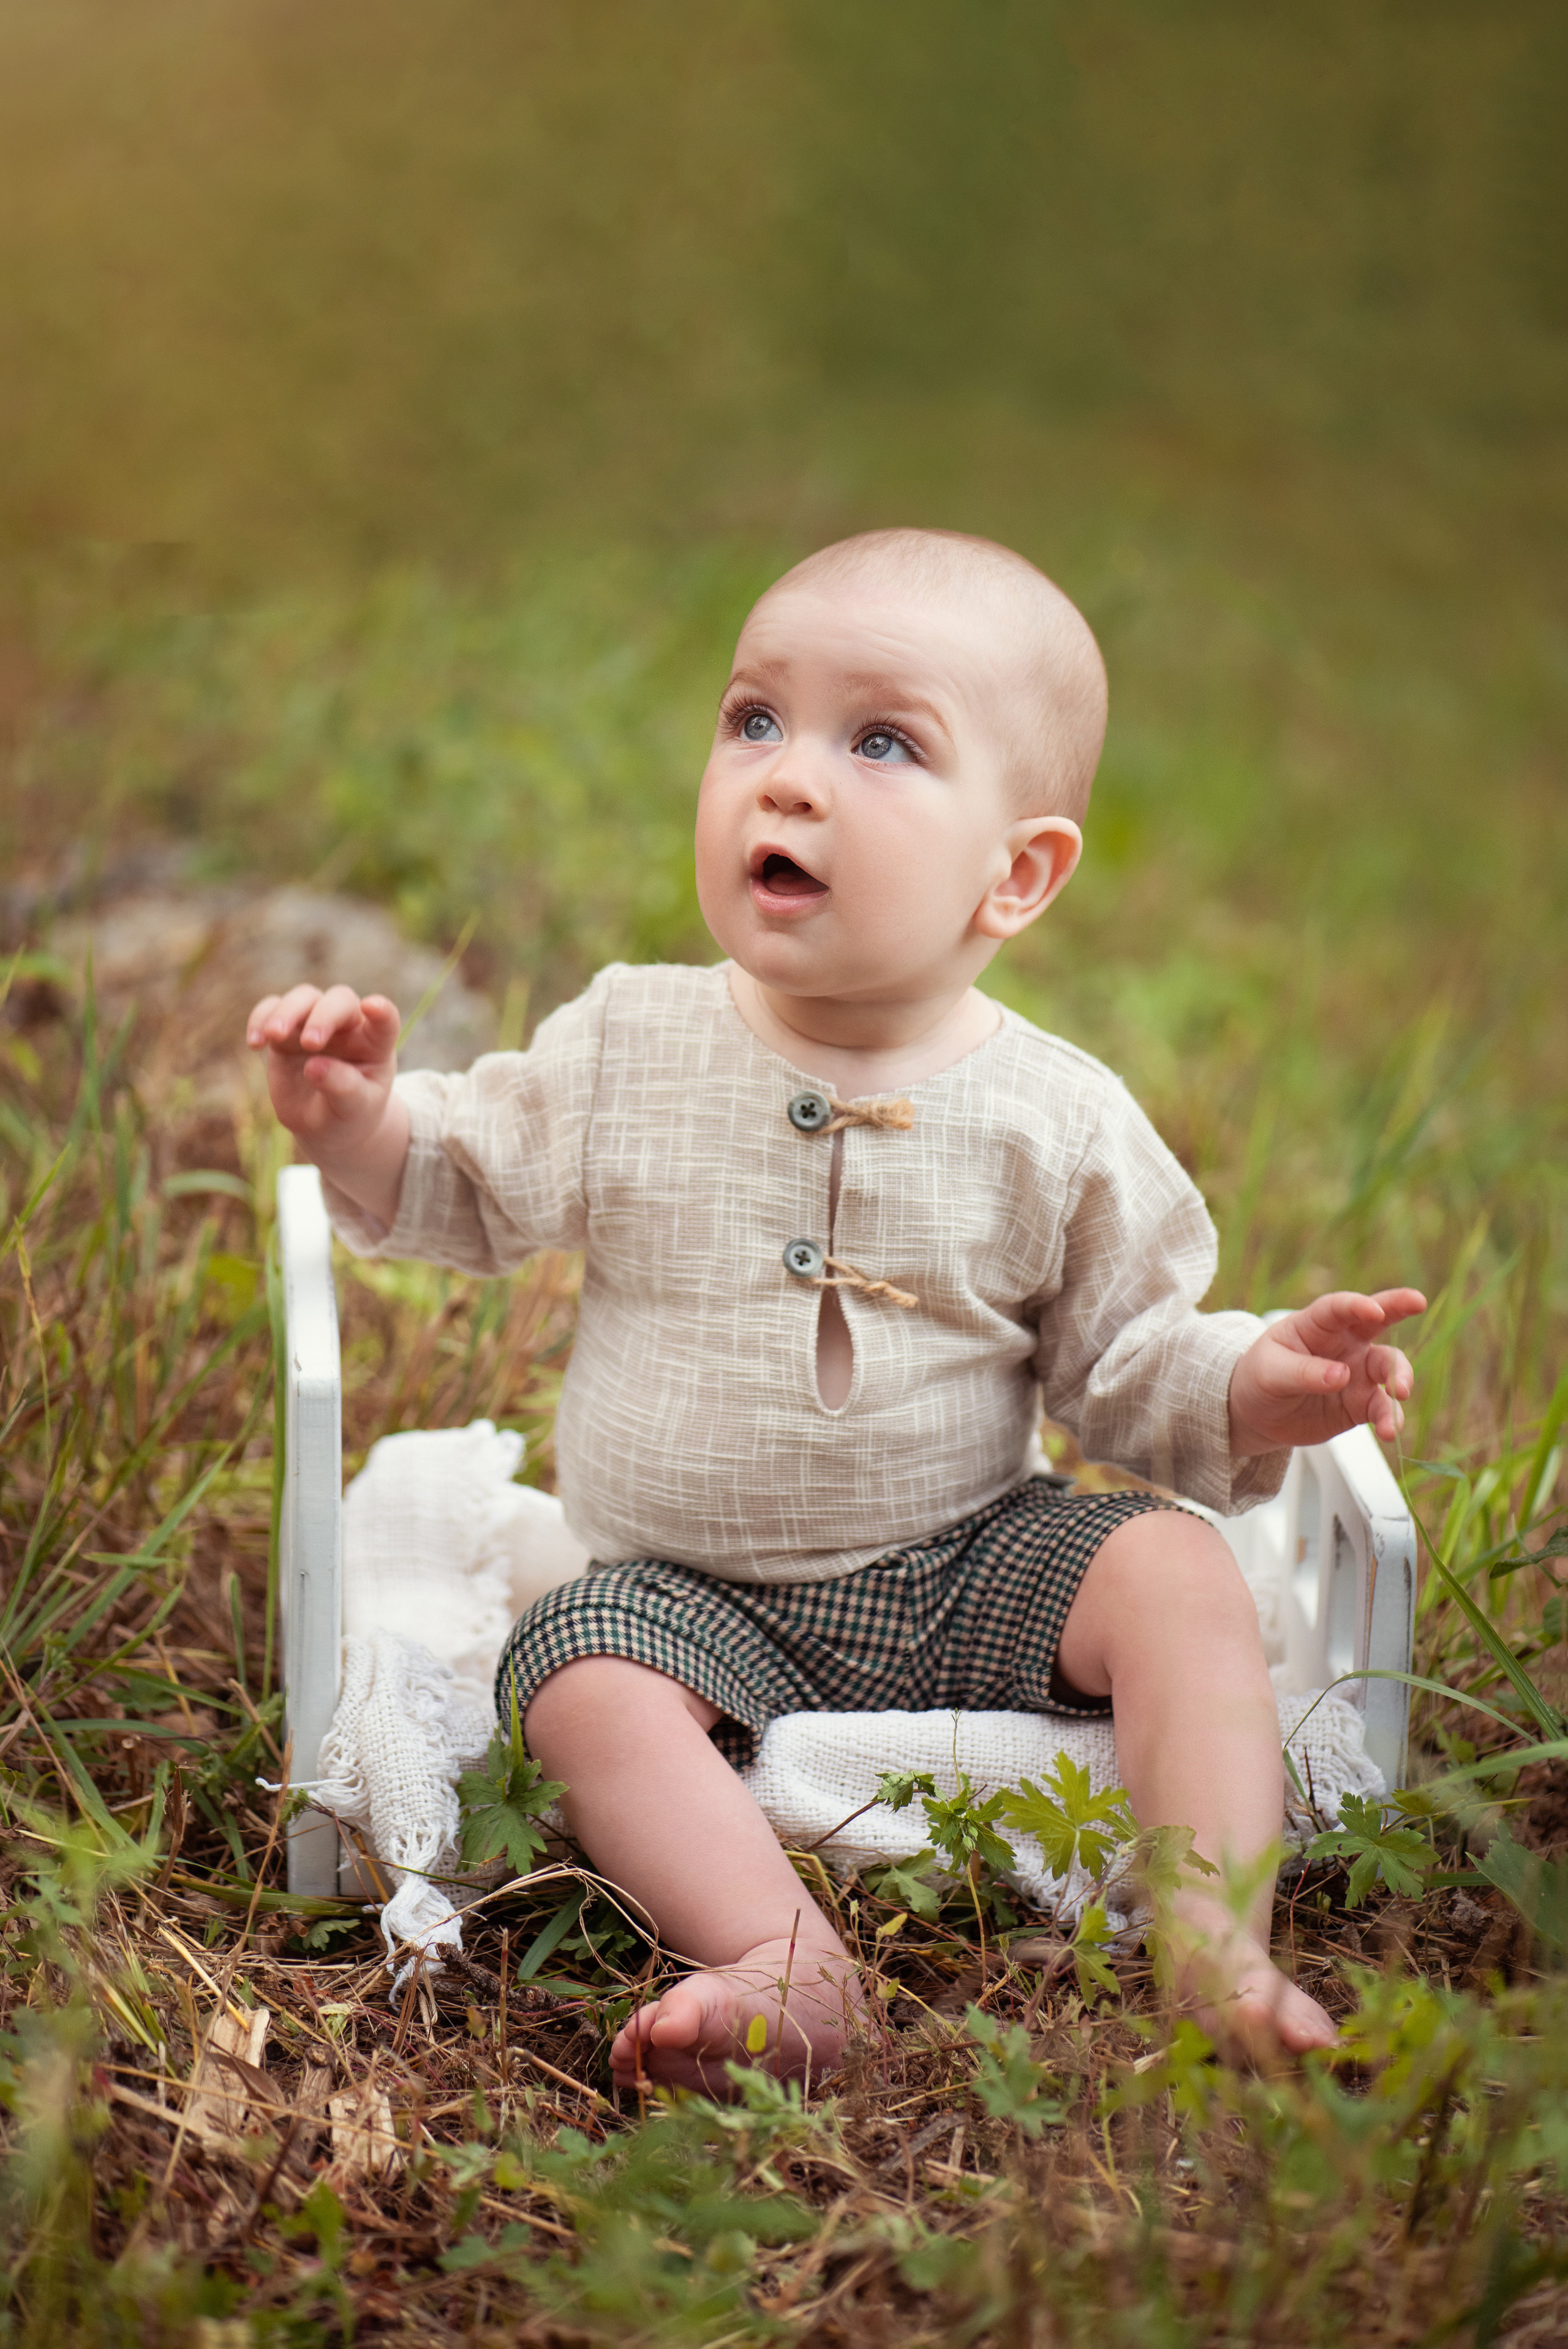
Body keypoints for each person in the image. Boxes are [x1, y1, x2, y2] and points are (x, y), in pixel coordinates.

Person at [248, 528, 1423, 2091]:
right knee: (573, 1675)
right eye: (753, 721)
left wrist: (1258, 1387)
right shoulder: (628, 1045)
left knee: (1176, 1571)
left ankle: (1215, 1944)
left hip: (962, 1560)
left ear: (1015, 872)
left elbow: (1127, 1367)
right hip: (678, 1589)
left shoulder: (1051, 1116)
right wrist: (354, 1121)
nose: (784, 779)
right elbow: (464, 1173)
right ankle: (777, 1957)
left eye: (879, 741)